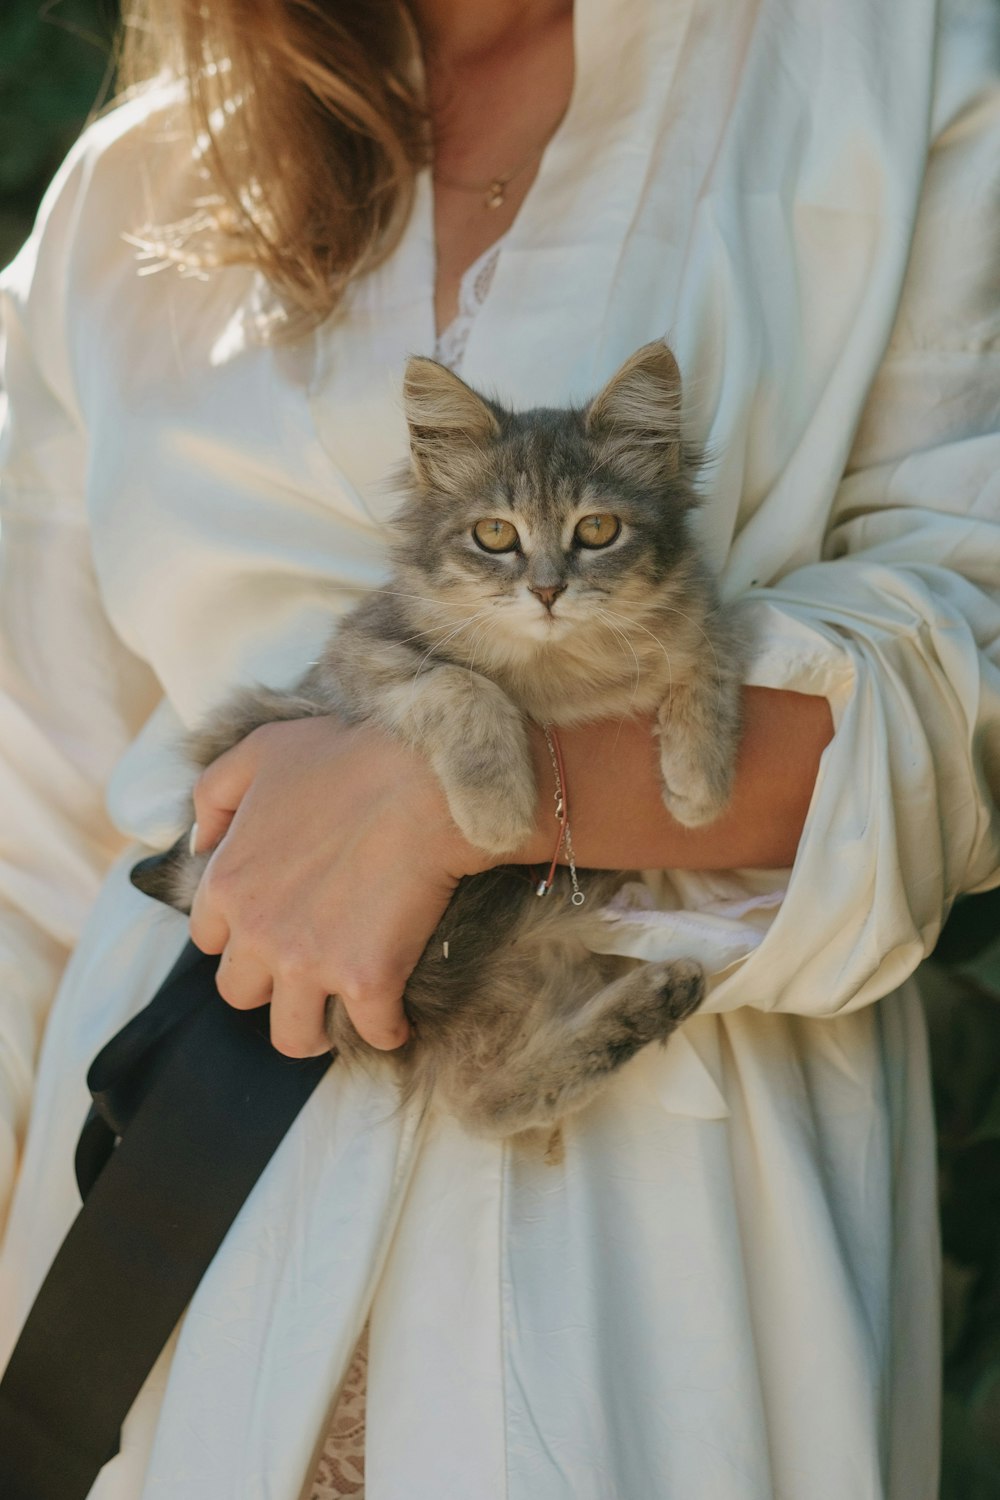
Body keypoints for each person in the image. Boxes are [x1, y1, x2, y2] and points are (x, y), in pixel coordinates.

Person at [0, 0, 998, 1495]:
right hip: (157, 1219)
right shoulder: (138, 185)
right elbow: (25, 827)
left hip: (656, 1240)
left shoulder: (888, 52)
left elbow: (976, 669)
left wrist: (465, 794)